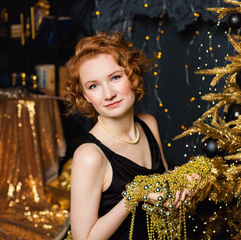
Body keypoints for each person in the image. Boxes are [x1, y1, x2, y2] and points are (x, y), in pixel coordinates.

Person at [64, 31, 196, 240]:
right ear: (86, 96)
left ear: (132, 77)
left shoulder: (148, 124)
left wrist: (185, 184)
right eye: (93, 86)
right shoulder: (90, 156)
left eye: (115, 77)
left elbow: (164, 192)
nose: (108, 94)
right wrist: (134, 196)